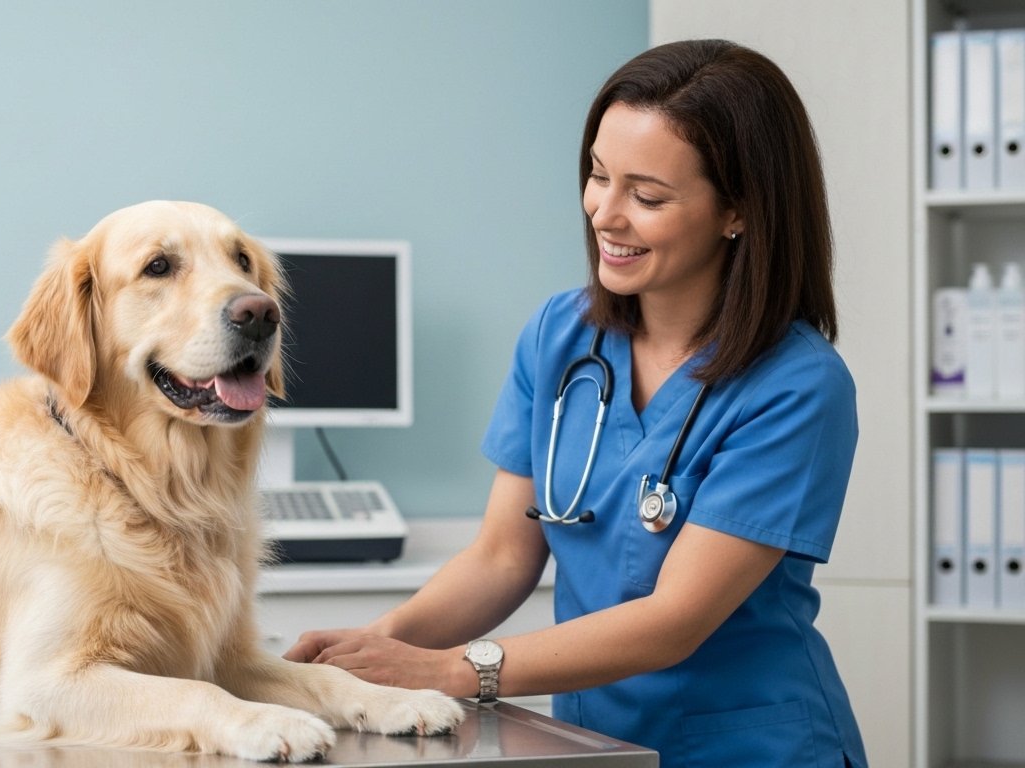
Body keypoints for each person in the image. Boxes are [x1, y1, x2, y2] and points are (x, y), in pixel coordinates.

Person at [284, 39, 867, 767]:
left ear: (738, 212)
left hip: (751, 746)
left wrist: (447, 672)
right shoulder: (561, 335)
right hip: (595, 745)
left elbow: (672, 621)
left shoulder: (797, 386)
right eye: (598, 176)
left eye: (647, 196)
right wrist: (382, 646)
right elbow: (501, 557)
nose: (605, 214)